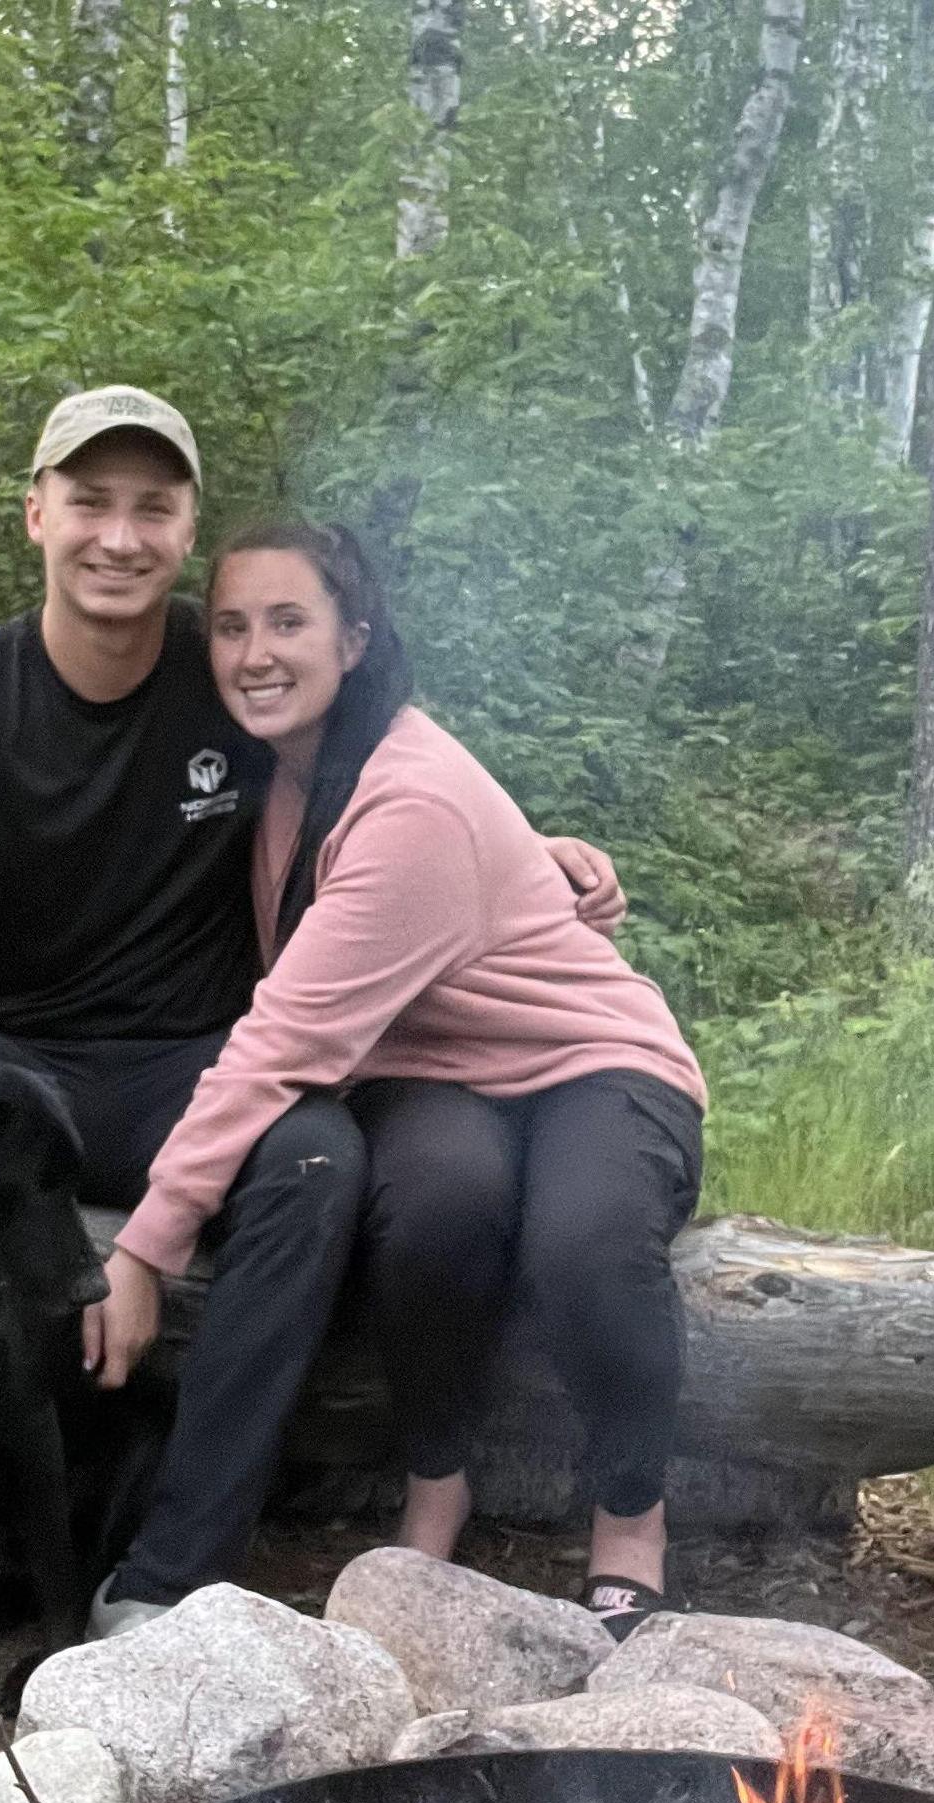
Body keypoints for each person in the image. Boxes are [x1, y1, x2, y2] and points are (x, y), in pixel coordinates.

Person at [0, 390, 620, 1698]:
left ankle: (162, 1579)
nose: (119, 535)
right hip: (4, 1059)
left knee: (313, 1154)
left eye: (153, 507)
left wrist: (520, 859)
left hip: (183, 1059)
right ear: (36, 514)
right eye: (89, 501)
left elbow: (386, 768)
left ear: (185, 529)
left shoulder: (231, 666)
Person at [104, 519, 706, 1640]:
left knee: (583, 1238)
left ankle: (630, 1512)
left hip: (590, 1056)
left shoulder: (401, 793)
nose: (255, 652)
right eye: (232, 626)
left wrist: (149, 1242)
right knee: (433, 1206)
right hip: (431, 1067)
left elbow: (282, 1037)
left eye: (289, 622)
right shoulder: (273, 766)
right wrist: (538, 842)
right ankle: (440, 1476)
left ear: (356, 638)